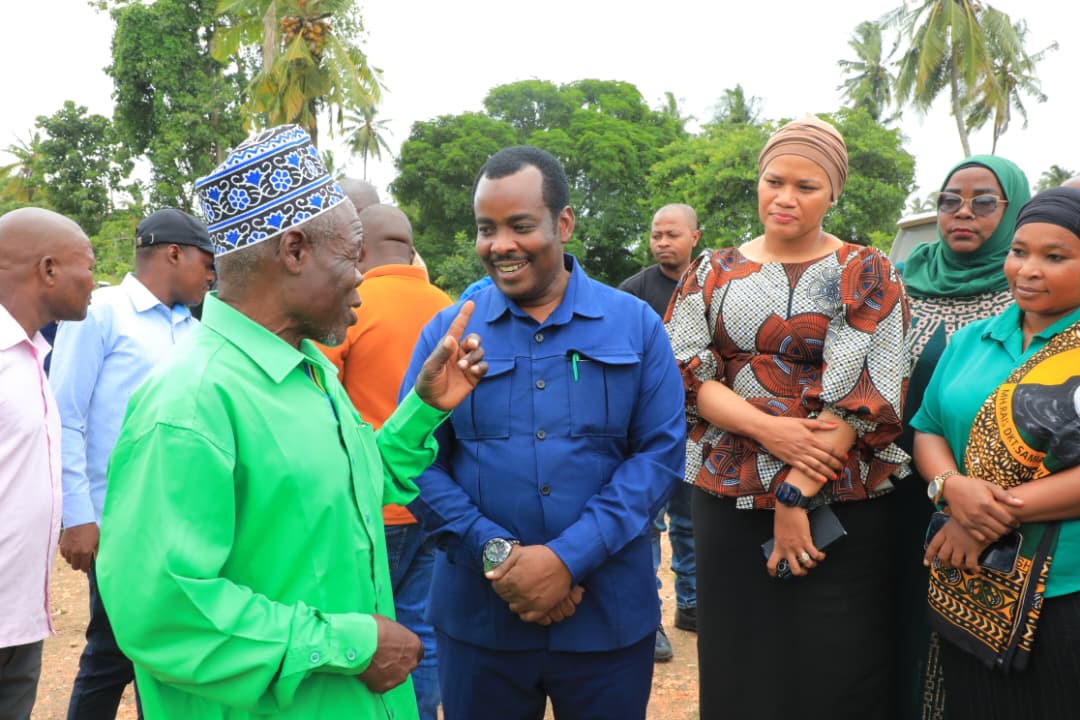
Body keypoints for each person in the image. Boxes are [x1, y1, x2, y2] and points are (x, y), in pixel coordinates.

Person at [93, 124, 488, 720]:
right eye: (351, 257)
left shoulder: (310, 370)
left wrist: (423, 409)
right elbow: (163, 611)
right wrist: (349, 644)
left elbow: (353, 485)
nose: (362, 278)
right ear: (295, 251)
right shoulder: (190, 402)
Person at [401, 145, 686, 720]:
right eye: (486, 229)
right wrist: (497, 553)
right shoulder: (448, 333)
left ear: (564, 223)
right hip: (481, 622)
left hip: (606, 618)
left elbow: (658, 457)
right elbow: (414, 461)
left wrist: (567, 560)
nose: (500, 244)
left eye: (520, 226)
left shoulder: (634, 325)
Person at [665, 116, 911, 720]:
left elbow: (864, 393)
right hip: (728, 493)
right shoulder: (711, 271)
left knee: (836, 666)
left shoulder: (866, 270)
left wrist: (794, 496)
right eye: (774, 181)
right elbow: (688, 374)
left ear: (834, 193)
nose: (786, 198)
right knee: (740, 662)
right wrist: (769, 428)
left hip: (841, 497)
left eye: (807, 186)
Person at [913, 186, 1080, 719]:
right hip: (967, 580)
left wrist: (982, 517)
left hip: (1064, 587)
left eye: (1055, 257)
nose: (1028, 270)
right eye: (1019, 251)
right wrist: (951, 489)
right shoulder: (972, 340)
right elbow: (929, 428)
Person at [50, 208, 216, 719]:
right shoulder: (103, 312)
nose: (212, 277)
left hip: (178, 523)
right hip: (117, 523)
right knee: (111, 653)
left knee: (166, 656)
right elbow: (65, 416)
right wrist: (78, 515)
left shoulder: (193, 327)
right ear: (174, 254)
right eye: (207, 263)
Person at [892, 155, 1030, 719]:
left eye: (984, 202)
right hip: (887, 491)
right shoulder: (899, 283)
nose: (963, 213)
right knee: (889, 629)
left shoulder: (1028, 294)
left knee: (957, 648)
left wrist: (965, 500)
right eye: (950, 201)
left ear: (1014, 210)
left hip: (983, 506)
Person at [318, 203, 452, 720]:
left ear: (358, 249)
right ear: (410, 247)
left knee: (366, 638)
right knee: (422, 634)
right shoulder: (446, 306)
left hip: (371, 505)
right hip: (433, 499)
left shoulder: (349, 305)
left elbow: (321, 399)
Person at [0, 207, 95, 720]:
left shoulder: (30, 355)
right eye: (89, 266)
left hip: (20, 619)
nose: (94, 282)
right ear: (49, 269)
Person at [619, 203, 702, 662]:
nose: (663, 242)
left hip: (697, 428)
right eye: (656, 235)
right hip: (645, 429)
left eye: (672, 234)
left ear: (695, 237)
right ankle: (648, 619)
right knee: (648, 523)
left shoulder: (711, 285)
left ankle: (691, 605)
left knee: (690, 523)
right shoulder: (633, 293)